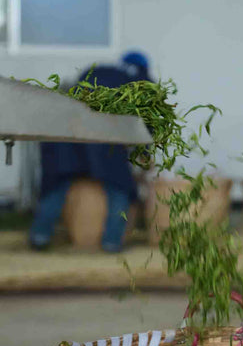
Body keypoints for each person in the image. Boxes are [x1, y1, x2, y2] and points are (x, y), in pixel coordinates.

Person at [28, 51, 152, 253]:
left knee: (57, 183)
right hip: (101, 134)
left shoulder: (95, 70)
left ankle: (39, 237)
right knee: (119, 186)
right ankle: (111, 242)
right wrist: (145, 152)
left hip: (65, 132)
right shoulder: (142, 81)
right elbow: (145, 121)